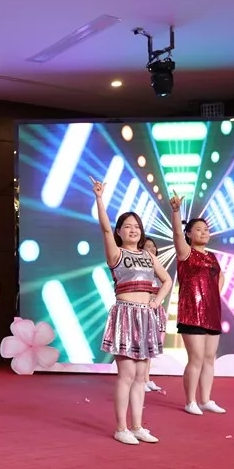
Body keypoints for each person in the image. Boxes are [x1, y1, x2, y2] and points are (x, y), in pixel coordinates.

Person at [91, 176, 172, 445]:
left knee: (140, 377)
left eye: (137, 226)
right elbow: (104, 230)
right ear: (119, 232)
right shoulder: (116, 254)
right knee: (126, 375)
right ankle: (121, 428)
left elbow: (167, 280)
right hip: (125, 316)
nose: (133, 230)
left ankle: (137, 426)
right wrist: (100, 198)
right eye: (127, 226)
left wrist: (157, 300)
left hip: (146, 317)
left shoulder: (149, 256)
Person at [169, 191, 226, 416]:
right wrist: (176, 211)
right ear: (189, 234)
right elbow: (176, 233)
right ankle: (190, 401)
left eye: (206, 229)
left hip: (212, 313)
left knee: (210, 358)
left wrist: (214, 295)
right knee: (196, 358)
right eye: (199, 229)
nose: (204, 232)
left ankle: (206, 400)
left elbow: (220, 277)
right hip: (191, 313)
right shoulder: (186, 253)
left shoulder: (212, 257)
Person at [143, 238, 164, 393]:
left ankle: (146, 379)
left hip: (155, 311)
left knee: (149, 347)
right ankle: (139, 380)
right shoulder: (140, 269)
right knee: (142, 346)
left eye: (153, 246)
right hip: (143, 311)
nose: (151, 249)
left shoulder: (157, 269)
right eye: (147, 246)